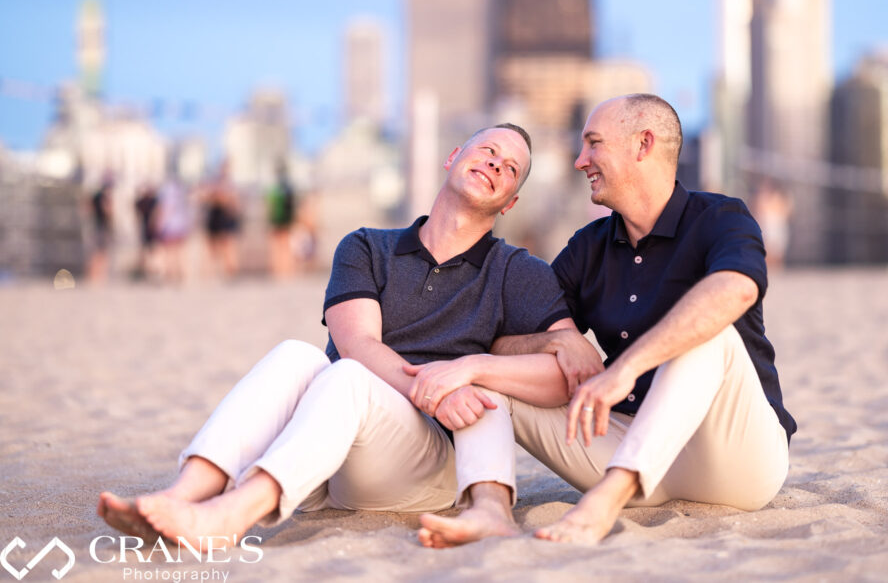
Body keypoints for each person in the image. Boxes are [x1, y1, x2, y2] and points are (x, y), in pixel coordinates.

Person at [97, 124, 595, 550]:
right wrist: (429, 386)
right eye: (488, 151)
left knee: (349, 379)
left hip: (419, 465)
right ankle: (183, 495)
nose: (495, 164)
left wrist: (463, 379)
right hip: (323, 455)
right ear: (453, 157)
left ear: (510, 202)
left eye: (510, 168)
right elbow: (358, 343)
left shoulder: (517, 270)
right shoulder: (366, 246)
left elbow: (564, 370)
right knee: (299, 355)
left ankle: (230, 516)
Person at [414, 94, 796, 547]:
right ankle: (490, 511)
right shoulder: (588, 247)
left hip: (734, 459)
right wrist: (555, 344)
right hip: (625, 444)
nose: (580, 161)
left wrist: (626, 368)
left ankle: (601, 506)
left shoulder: (721, 216)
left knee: (709, 333)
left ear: (643, 144)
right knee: (485, 384)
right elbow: (505, 339)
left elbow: (737, 289)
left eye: (593, 144)